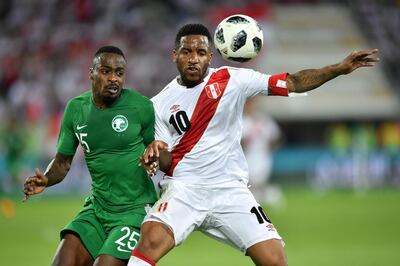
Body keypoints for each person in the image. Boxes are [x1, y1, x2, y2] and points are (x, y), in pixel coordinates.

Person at [128, 24, 379, 266]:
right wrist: (154, 156)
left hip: (230, 191)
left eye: (201, 52)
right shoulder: (158, 103)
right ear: (175, 55)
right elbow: (166, 157)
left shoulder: (234, 80)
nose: (193, 58)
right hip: (185, 190)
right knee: (148, 243)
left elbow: (293, 82)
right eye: (187, 52)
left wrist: (338, 68)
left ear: (210, 56)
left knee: (275, 259)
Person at [23, 46, 158, 266]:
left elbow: (161, 152)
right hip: (97, 208)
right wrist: (47, 179)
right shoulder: (76, 109)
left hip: (134, 212)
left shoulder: (141, 107)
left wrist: (155, 158)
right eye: (106, 71)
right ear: (91, 73)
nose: (113, 78)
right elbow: (62, 162)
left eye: (119, 73)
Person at [242, 98, 282, 205]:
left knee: (257, 182)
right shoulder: (242, 121)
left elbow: (275, 136)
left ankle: (271, 196)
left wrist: (271, 149)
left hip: (262, 156)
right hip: (248, 156)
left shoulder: (264, 120)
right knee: (252, 184)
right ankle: (270, 195)